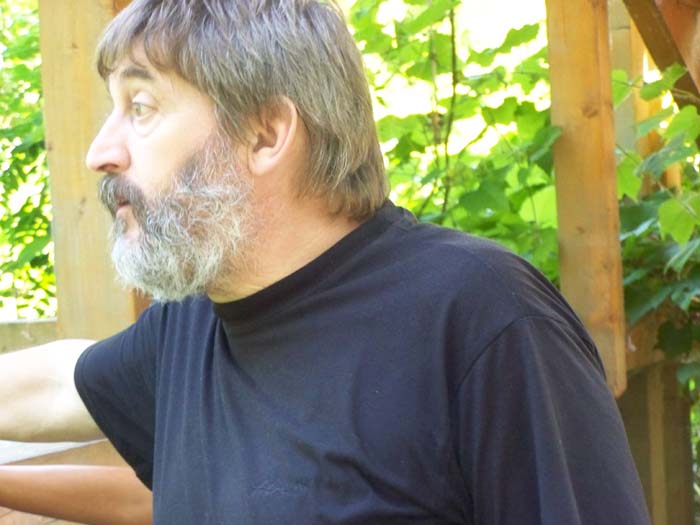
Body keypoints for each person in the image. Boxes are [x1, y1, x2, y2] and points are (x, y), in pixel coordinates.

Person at [0, 0, 650, 523]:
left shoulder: (483, 315)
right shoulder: (192, 327)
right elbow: (57, 385)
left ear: (265, 134)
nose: (100, 152)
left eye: (140, 108)